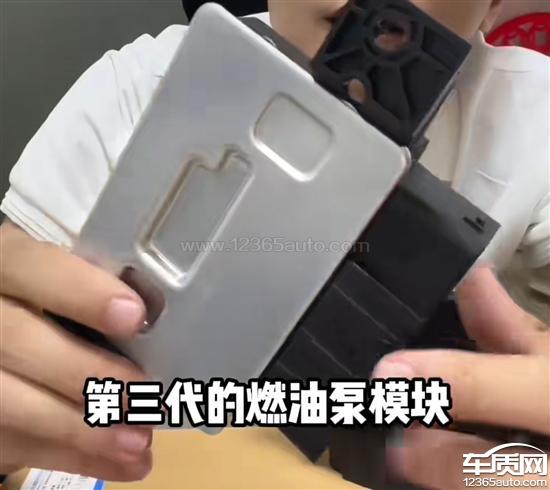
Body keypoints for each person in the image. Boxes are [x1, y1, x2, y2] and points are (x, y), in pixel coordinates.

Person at [0, 0, 548, 483]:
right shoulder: (136, 88)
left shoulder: (533, 115)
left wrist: (515, 472)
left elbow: (513, 469)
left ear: (493, 5)